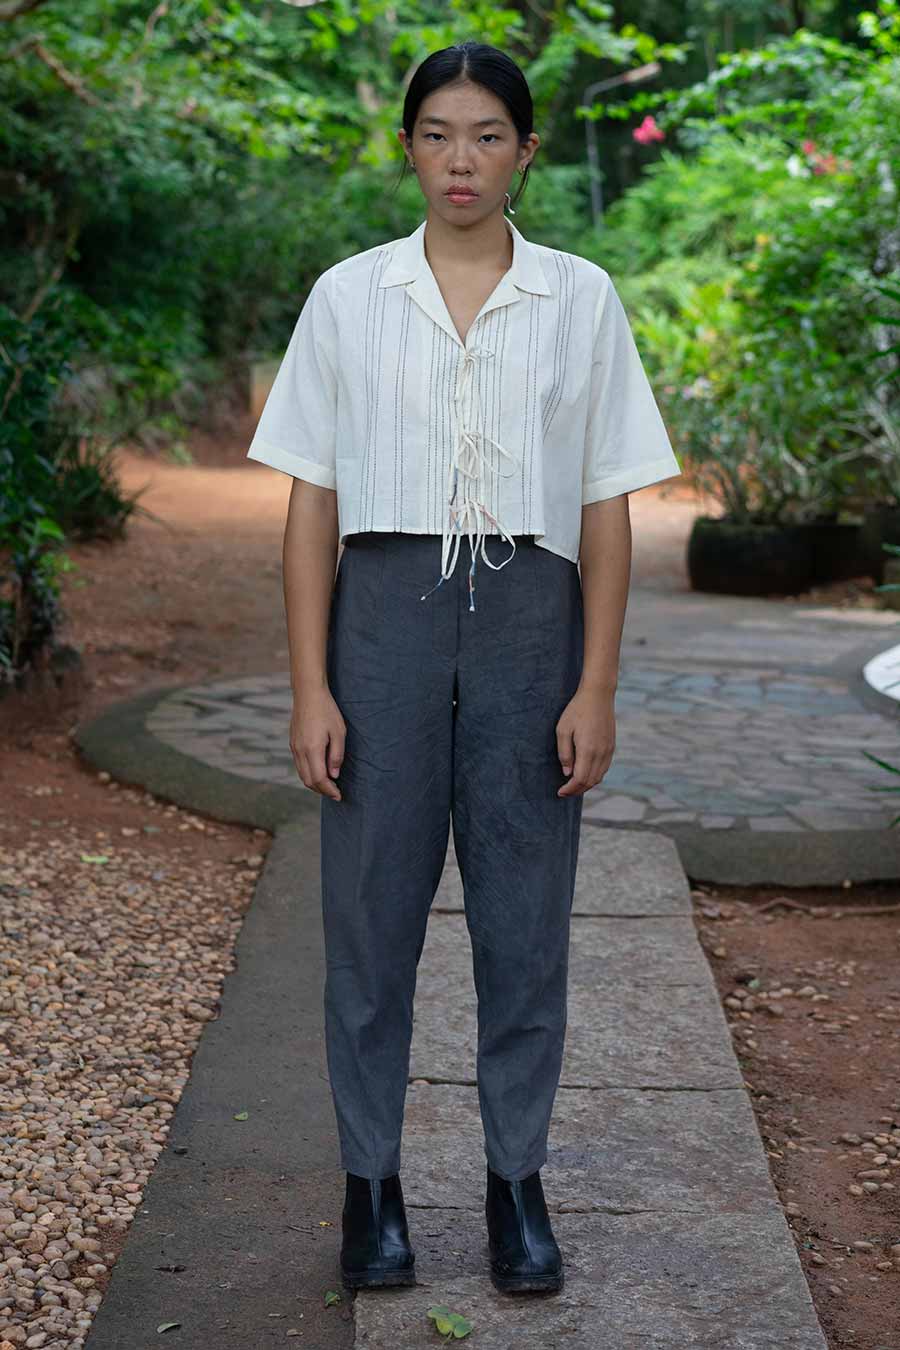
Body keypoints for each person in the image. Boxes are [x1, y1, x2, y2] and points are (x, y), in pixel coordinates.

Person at [246, 40, 681, 1297]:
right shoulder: (349, 296)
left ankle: (515, 1184)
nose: (461, 160)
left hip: (531, 621)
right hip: (380, 617)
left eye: (488, 135)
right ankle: (371, 1188)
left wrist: (595, 685)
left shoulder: (580, 299)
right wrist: (312, 685)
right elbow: (311, 504)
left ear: (525, 153)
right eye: (438, 133)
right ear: (407, 148)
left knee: (525, 919)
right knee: (368, 919)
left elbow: (606, 503)